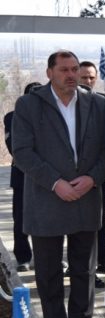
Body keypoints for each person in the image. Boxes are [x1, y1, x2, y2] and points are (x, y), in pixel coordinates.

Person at [12, 50, 105, 318]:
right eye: (64, 69)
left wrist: (93, 178)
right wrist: (56, 183)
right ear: (49, 73)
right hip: (46, 199)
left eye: (75, 69)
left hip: (87, 195)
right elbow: (22, 152)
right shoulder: (29, 105)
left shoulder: (98, 103)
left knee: (84, 268)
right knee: (48, 269)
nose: (71, 74)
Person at [77, 61, 105, 285]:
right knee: (78, 225)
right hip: (71, 175)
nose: (88, 81)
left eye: (92, 78)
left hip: (98, 173)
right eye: (84, 77)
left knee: (99, 219)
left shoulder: (104, 103)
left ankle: (104, 260)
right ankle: (84, 269)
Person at [4, 82, 41, 272]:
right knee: (21, 218)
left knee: (49, 219)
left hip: (47, 178)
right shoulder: (12, 117)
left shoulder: (50, 116)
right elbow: (13, 147)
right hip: (22, 175)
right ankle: (23, 257)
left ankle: (49, 258)